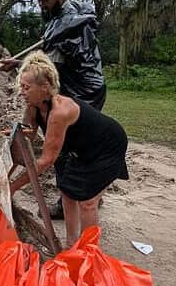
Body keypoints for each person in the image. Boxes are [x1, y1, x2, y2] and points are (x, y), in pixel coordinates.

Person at [2, 0, 106, 218]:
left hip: (85, 90)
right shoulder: (57, 20)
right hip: (71, 86)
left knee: (65, 147)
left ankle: (71, 200)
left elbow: (48, 68)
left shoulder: (70, 24)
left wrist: (17, 65)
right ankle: (88, 193)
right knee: (73, 146)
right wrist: (17, 61)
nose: (42, 3)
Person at [10, 51, 127, 246]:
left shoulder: (60, 112)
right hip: (81, 146)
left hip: (107, 145)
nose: (21, 92)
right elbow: (28, 134)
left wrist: (12, 186)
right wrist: (8, 136)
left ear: (45, 87)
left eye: (26, 87)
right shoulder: (33, 105)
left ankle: (89, 253)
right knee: (67, 191)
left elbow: (47, 159)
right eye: (21, 86)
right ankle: (72, 244)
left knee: (87, 202)